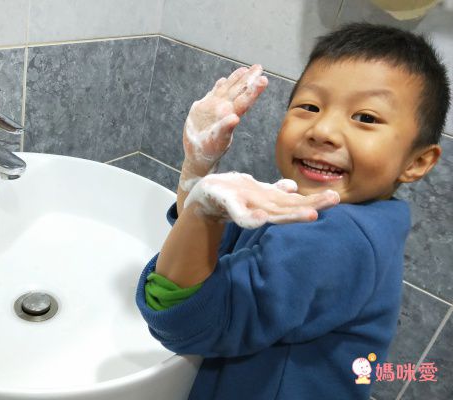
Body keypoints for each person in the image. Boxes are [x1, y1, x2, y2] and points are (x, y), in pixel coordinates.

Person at [135, 23, 450, 399]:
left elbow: (188, 320)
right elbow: (205, 256)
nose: (322, 130)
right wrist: (198, 168)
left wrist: (203, 208)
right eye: (310, 106)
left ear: (417, 161)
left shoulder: (335, 238)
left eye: (365, 117)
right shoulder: (310, 205)